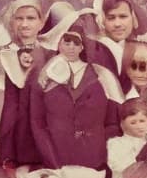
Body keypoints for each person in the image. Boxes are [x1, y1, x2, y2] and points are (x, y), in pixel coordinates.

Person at [30, 25, 123, 170]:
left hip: (95, 159)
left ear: (82, 47)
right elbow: (37, 123)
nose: (71, 47)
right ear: (58, 44)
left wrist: (101, 154)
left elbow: (112, 121)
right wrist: (51, 159)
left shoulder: (101, 75)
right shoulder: (43, 78)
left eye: (76, 43)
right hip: (56, 157)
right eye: (66, 43)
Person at [0, 0, 53, 169]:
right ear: (12, 22)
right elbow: (10, 107)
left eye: (31, 18)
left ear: (41, 22)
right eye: (19, 19)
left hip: (47, 137)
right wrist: (6, 151)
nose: (24, 24)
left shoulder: (51, 56)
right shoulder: (10, 58)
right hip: (21, 139)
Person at [88, 0, 142, 77]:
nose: (117, 24)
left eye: (123, 17)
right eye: (111, 18)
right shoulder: (96, 53)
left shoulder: (142, 48)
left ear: (132, 17)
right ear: (103, 21)